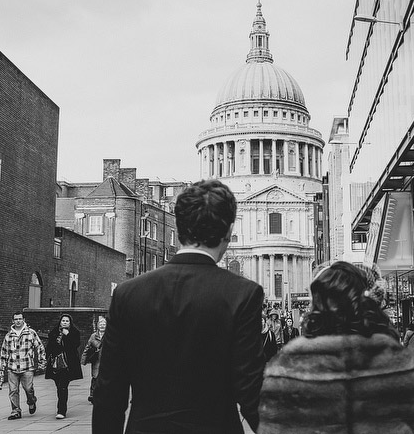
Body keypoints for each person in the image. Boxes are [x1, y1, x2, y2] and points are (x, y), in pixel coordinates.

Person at [92, 179, 265, 434]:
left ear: (179, 226)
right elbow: (251, 392)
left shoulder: (128, 294)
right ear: (228, 231)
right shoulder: (242, 294)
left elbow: (109, 393)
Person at [259, 261, 414, 433]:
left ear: (316, 304)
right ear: (364, 301)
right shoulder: (397, 361)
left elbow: (273, 427)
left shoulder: (287, 365)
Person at [0, 311, 46, 420]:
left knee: (28, 388)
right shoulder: (8, 336)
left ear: (23, 319)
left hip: (27, 366)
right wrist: (1, 368)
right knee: (13, 390)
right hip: (12, 367)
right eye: (16, 319)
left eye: (20, 319)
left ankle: (31, 401)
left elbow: (40, 348)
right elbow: (4, 353)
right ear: (12, 321)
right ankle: (16, 411)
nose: (18, 321)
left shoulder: (31, 333)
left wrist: (42, 362)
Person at [45, 313, 83, 419]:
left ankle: (61, 410)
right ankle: (61, 406)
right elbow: (49, 347)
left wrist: (67, 335)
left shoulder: (74, 332)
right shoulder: (54, 332)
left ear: (70, 323)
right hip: (55, 364)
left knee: (63, 387)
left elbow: (75, 345)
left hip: (67, 365)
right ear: (60, 322)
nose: (65, 322)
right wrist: (45, 357)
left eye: (67, 321)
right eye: (63, 321)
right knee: (58, 387)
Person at [81, 316, 107, 403]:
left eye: (104, 324)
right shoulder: (93, 336)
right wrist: (83, 360)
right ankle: (93, 395)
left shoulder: (110, 335)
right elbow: (87, 348)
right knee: (95, 378)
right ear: (98, 325)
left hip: (106, 361)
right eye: (101, 324)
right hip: (96, 361)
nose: (102, 326)